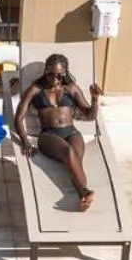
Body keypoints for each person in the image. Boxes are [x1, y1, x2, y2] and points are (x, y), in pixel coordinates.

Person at [13, 52, 103, 211]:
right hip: (48, 136)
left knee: (75, 162)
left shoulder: (72, 89)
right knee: (69, 152)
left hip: (72, 133)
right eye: (51, 74)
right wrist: (25, 141)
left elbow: (90, 116)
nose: (55, 79)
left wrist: (95, 100)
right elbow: (19, 117)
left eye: (59, 75)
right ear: (46, 71)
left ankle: (83, 197)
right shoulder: (35, 90)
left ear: (65, 73)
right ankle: (84, 192)